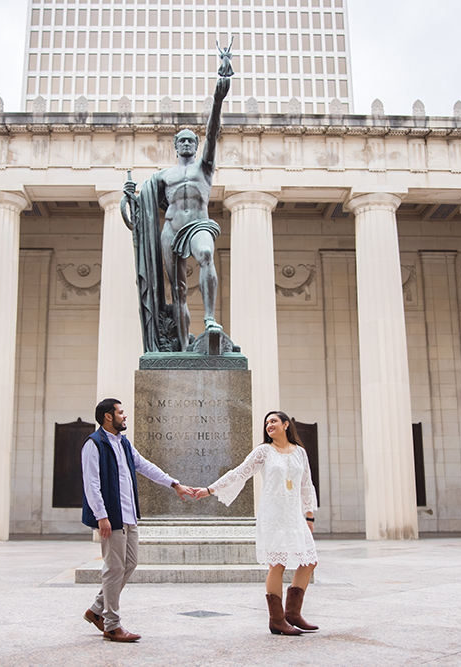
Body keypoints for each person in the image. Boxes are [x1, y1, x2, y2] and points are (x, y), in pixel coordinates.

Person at [120, 54, 232, 352]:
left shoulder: (203, 168)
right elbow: (144, 207)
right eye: (181, 141)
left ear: (196, 147)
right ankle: (182, 346)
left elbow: (212, 132)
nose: (186, 144)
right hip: (171, 228)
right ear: (175, 146)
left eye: (190, 141)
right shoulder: (163, 175)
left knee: (206, 253)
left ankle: (210, 319)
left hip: (197, 225)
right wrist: (130, 195)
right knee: (177, 291)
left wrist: (218, 99)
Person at [193, 411, 319, 635]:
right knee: (277, 564)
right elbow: (239, 473)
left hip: (294, 515)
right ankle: (277, 619)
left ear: (286, 425)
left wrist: (309, 516)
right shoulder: (263, 452)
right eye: (267, 422)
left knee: (309, 561)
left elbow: (306, 484)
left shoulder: (300, 452)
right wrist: (209, 490)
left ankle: (292, 613)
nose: (269, 425)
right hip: (273, 515)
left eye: (274, 421)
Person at [81, 398, 196, 642]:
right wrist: (101, 516)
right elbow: (91, 484)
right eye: (121, 412)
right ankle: (112, 624)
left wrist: (174, 484)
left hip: (129, 515)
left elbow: (145, 466)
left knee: (130, 564)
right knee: (114, 568)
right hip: (111, 517)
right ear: (108, 417)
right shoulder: (94, 444)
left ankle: (95, 609)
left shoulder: (123, 443)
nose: (125, 416)